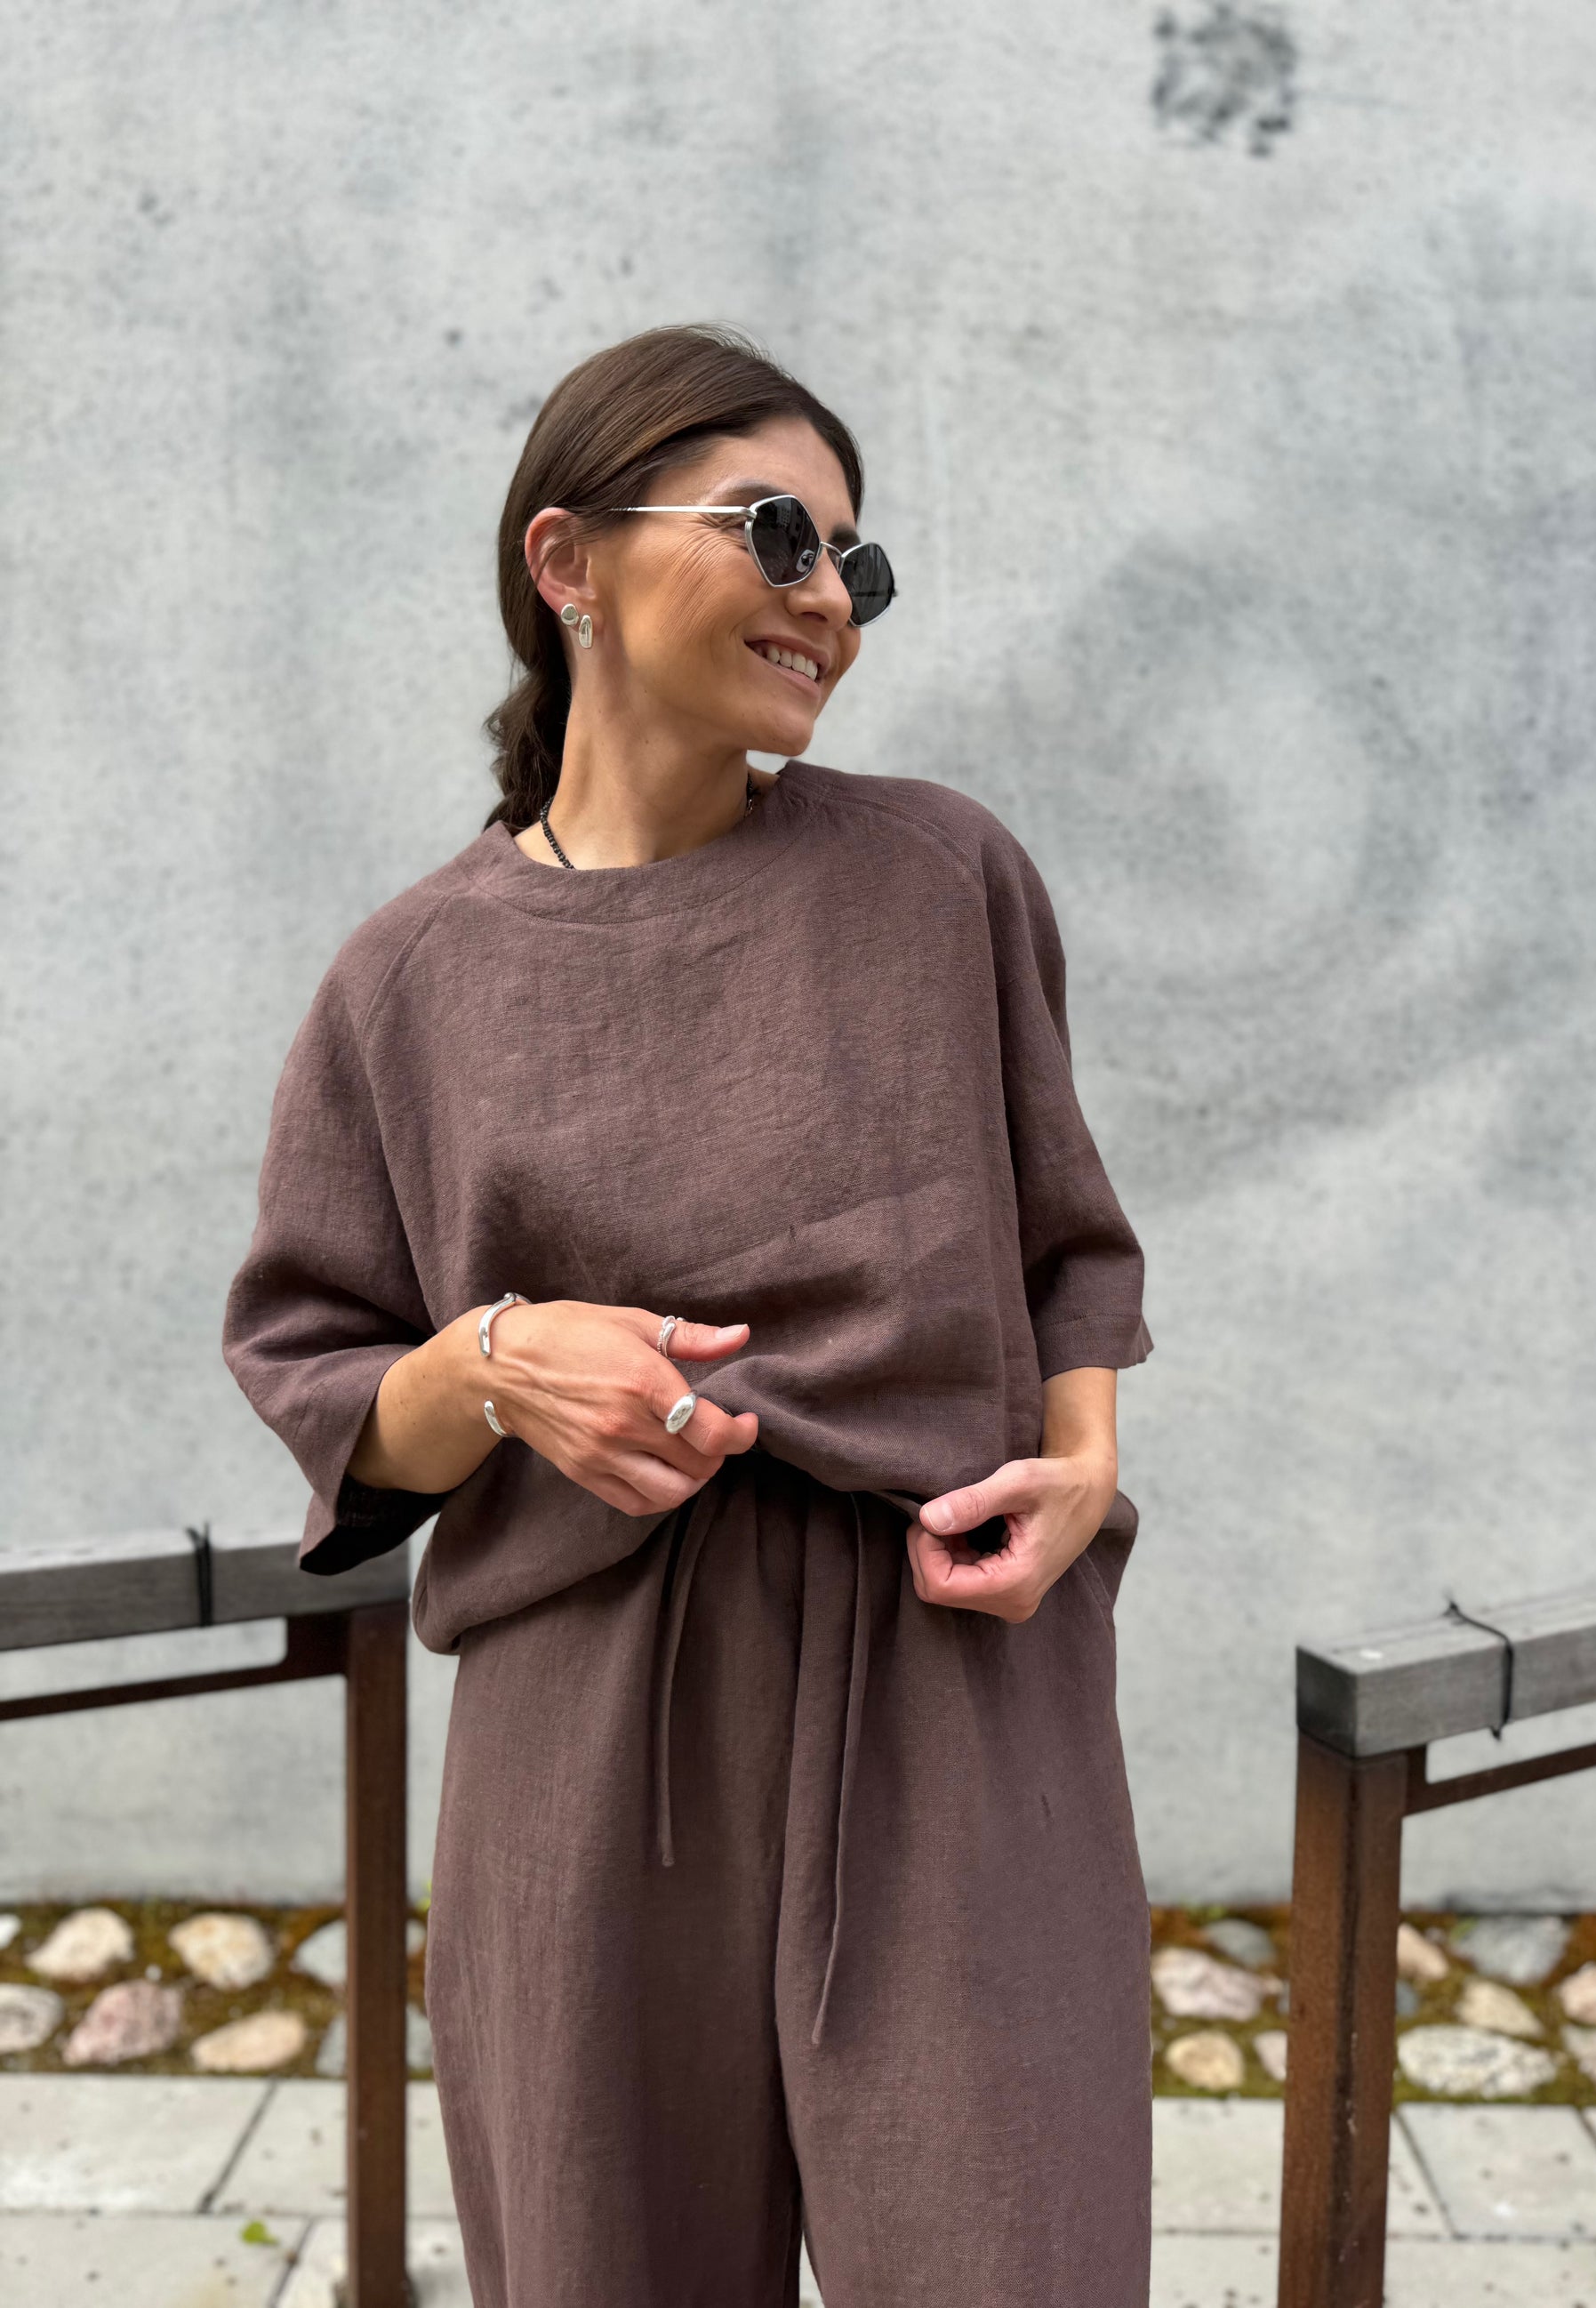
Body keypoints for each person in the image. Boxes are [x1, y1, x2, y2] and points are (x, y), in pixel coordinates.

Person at [224, 324, 1154, 2308]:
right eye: (777, 533)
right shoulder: (407, 980)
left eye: (854, 563)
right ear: (567, 558)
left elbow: (1070, 1245)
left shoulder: (941, 877)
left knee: (1015, 2251)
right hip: (588, 1708)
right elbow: (324, 1380)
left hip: (948, 1669)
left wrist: (1082, 1472)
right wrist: (499, 1362)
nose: (828, 600)